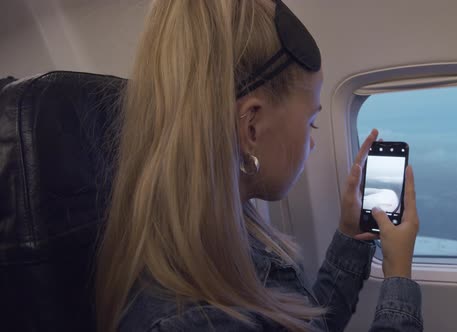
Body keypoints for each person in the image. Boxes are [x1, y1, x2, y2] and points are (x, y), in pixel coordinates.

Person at [95, 1, 423, 331]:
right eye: (312, 122)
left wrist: (354, 237)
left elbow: (306, 322)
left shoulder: (234, 232)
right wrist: (398, 275)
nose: (311, 141)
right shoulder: (197, 321)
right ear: (251, 127)